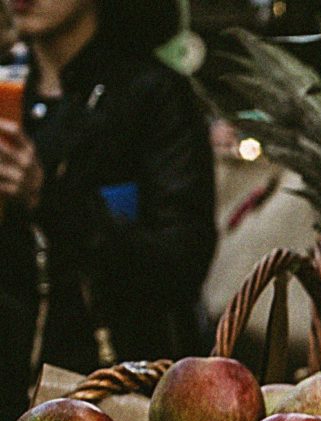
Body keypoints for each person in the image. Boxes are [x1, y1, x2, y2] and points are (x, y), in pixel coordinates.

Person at [0, 0, 215, 399]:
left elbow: (180, 262)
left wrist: (47, 197)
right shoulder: (10, 91)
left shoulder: (150, 95)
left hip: (114, 390)